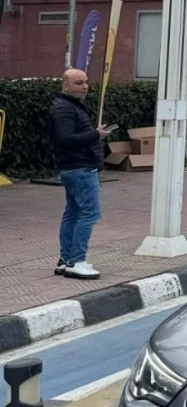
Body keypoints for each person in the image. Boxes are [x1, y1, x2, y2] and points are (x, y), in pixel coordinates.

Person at [47, 68, 108, 280]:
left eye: (86, 82)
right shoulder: (64, 108)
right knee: (89, 213)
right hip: (80, 168)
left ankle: (66, 260)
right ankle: (77, 261)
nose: (84, 86)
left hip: (74, 167)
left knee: (72, 213)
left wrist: (94, 133)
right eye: (78, 83)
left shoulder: (69, 106)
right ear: (65, 85)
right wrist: (95, 135)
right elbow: (65, 139)